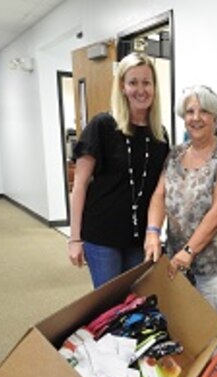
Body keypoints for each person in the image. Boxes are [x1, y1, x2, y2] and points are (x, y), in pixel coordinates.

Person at [144, 85, 217, 377]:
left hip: (216, 260)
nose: (196, 118)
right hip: (179, 259)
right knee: (185, 319)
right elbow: (159, 194)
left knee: (215, 323)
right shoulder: (175, 154)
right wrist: (152, 231)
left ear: (216, 117)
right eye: (189, 111)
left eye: (203, 111)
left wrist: (189, 251)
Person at [68, 52, 169, 288]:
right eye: (133, 82)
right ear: (122, 86)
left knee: (135, 304)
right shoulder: (102, 126)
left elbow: (160, 190)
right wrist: (74, 239)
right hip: (102, 237)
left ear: (154, 87)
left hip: (139, 239)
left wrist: (155, 231)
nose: (140, 89)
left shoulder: (159, 134)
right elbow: (79, 185)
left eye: (146, 82)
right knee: (109, 307)